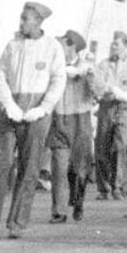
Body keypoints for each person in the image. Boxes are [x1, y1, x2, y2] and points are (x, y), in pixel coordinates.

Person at [0, 0, 66, 239]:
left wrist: (43, 108)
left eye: (26, 18)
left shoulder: (52, 47)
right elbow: (0, 76)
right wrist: (8, 104)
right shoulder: (12, 46)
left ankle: (17, 221)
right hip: (9, 108)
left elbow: (58, 81)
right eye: (22, 17)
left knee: (30, 166)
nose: (21, 22)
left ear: (39, 21)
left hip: (37, 110)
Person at [47, 29, 97, 223]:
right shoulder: (55, 65)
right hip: (59, 117)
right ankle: (58, 211)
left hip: (80, 119)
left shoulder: (86, 66)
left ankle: (78, 202)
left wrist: (89, 77)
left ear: (72, 46)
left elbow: (97, 90)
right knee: (58, 166)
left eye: (63, 43)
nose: (59, 46)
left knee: (79, 167)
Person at [92, 31, 127, 200]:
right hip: (107, 106)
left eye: (117, 44)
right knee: (103, 146)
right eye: (112, 43)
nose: (113, 47)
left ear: (125, 46)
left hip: (124, 108)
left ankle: (118, 185)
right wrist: (108, 90)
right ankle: (104, 187)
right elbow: (97, 84)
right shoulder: (103, 64)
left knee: (121, 146)